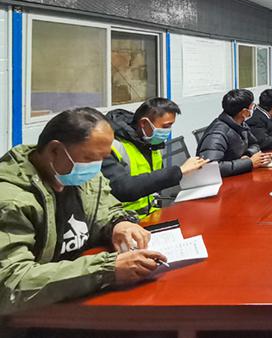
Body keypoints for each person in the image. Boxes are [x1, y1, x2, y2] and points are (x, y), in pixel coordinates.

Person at [0, 108, 167, 314]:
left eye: (102, 158)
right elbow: (11, 283)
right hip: (30, 318)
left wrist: (119, 224)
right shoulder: (11, 200)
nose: (96, 168)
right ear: (55, 151)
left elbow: (105, 207)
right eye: (89, 158)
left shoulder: (78, 174)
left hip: (77, 299)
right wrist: (106, 269)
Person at [102, 98, 208, 218]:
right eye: (165, 126)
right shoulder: (112, 146)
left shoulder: (151, 144)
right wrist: (179, 171)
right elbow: (124, 188)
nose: (167, 131)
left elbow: (155, 185)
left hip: (152, 214)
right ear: (144, 123)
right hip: (124, 219)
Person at [197, 89, 272, 176]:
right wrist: (249, 162)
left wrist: (248, 155)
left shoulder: (241, 124)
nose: (254, 109)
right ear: (244, 112)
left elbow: (255, 144)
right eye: (253, 107)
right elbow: (211, 168)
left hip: (238, 174)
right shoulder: (217, 134)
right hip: (223, 181)